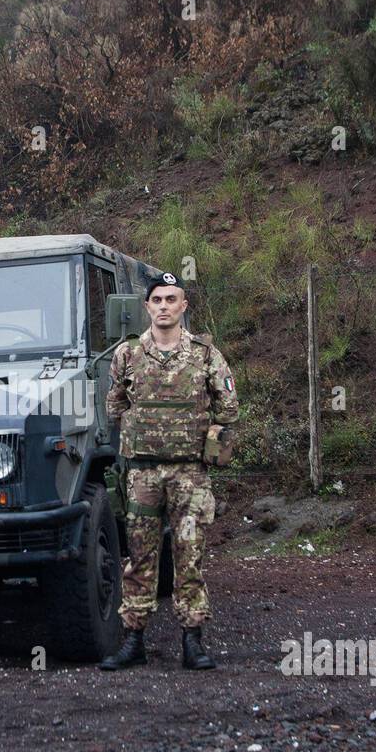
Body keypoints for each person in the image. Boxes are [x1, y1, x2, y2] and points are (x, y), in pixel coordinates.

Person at [100, 272, 239, 671]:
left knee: (189, 557)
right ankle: (133, 641)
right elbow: (114, 407)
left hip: (189, 476)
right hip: (142, 475)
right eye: (157, 299)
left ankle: (192, 642)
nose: (163, 306)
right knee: (140, 558)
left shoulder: (205, 354)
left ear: (183, 306)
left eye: (171, 299)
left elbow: (229, 408)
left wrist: (199, 432)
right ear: (147, 307)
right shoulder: (126, 355)